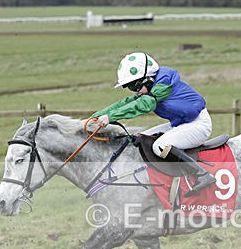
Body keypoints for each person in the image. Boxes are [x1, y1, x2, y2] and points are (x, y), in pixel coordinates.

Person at [86, 52, 216, 197]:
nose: (135, 91)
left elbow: (144, 105)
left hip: (198, 124)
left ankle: (202, 174)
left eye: (135, 86)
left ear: (148, 78)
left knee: (159, 146)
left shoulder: (162, 84)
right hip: (181, 124)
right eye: (130, 87)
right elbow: (128, 102)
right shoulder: (151, 85)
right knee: (142, 137)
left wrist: (110, 117)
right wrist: (96, 116)